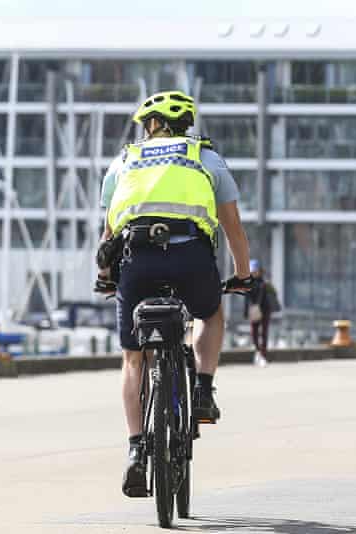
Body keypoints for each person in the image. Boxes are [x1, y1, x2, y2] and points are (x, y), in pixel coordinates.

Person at [96, 90, 256, 497]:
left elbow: (109, 232)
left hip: (136, 260)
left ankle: (136, 450)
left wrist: (105, 276)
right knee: (209, 314)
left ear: (152, 125)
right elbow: (233, 228)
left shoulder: (126, 159)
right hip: (191, 258)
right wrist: (242, 275)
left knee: (133, 357)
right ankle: (202, 389)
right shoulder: (206, 157)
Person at [244, 260, 279, 366]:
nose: (254, 273)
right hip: (254, 311)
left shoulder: (265, 282)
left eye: (255, 271)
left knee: (264, 333)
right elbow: (246, 299)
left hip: (265, 310)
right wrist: (246, 312)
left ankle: (263, 356)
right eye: (252, 271)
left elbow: (272, 295)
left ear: (260, 271)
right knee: (254, 333)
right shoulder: (248, 283)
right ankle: (258, 352)